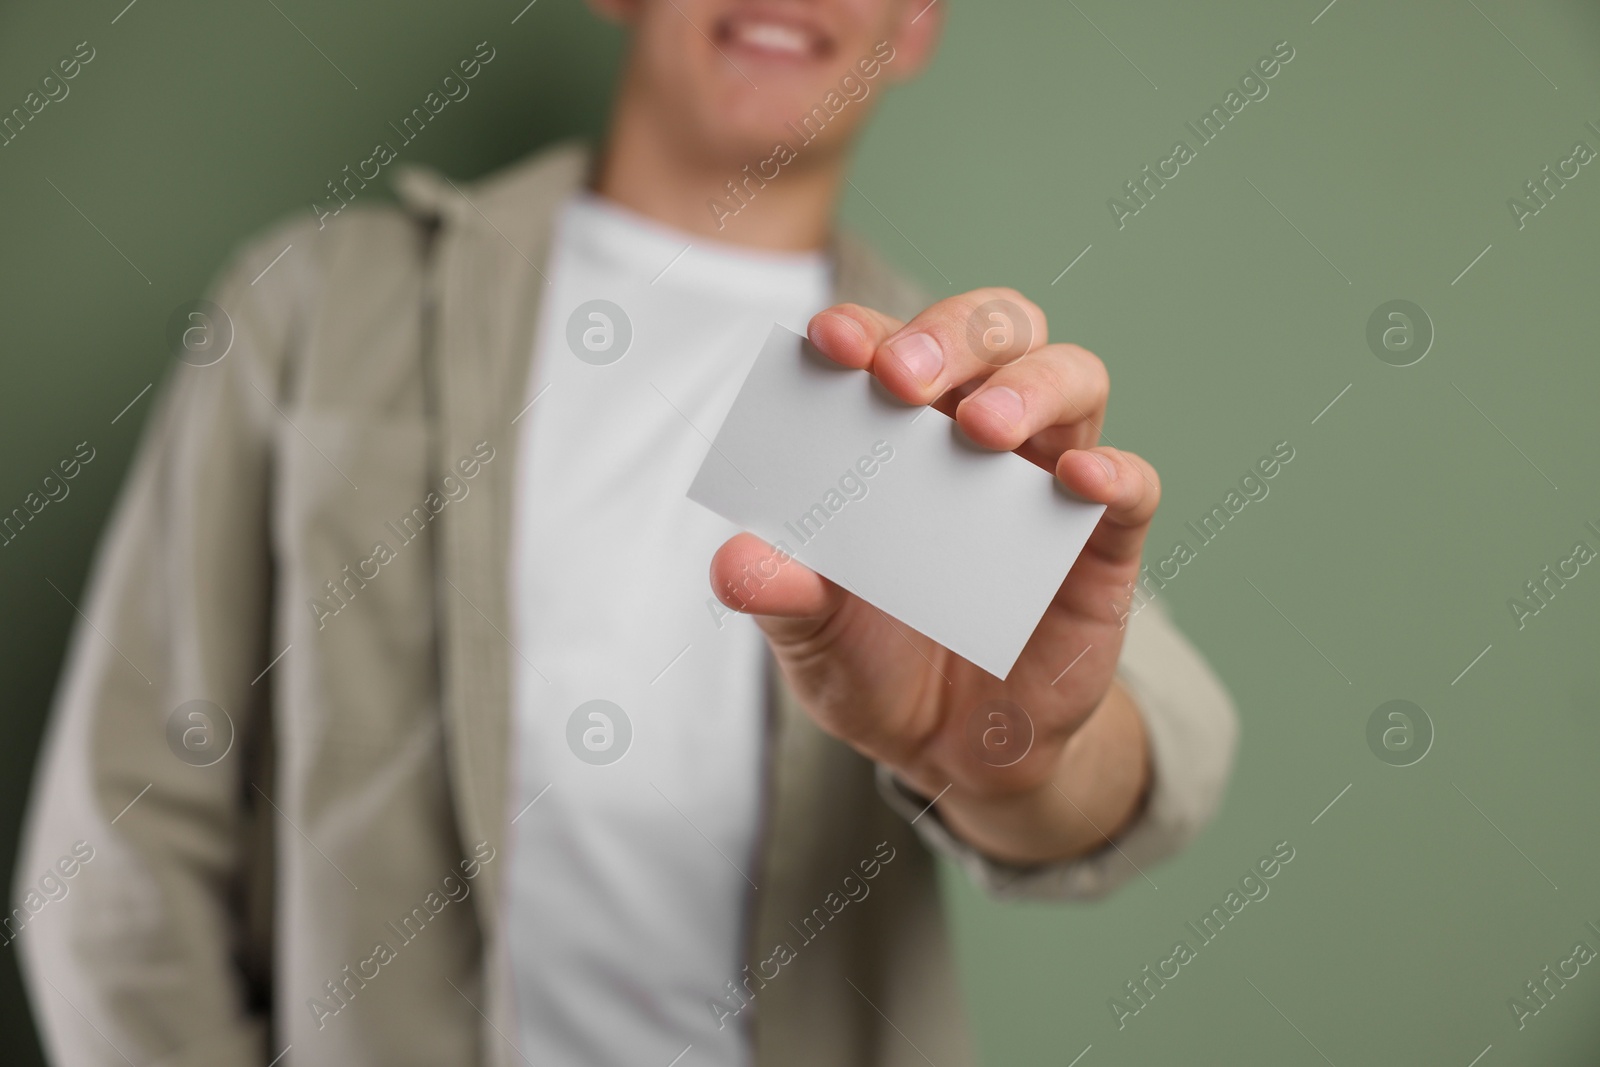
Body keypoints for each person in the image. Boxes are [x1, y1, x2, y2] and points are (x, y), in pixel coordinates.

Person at [14, 1, 1236, 1064]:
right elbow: (119, 848)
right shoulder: (316, 309)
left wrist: (1014, 758)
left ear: (916, 21)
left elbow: (1161, 749)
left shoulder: (939, 407)